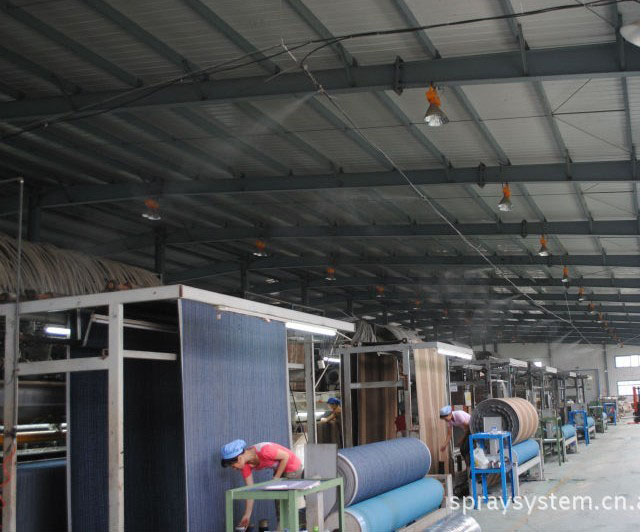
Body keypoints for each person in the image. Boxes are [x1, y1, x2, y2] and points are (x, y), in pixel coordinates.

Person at [221, 439, 302, 528]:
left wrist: (276, 478)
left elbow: (286, 456)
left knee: (286, 504)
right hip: (280, 471)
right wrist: (247, 515)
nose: (234, 469)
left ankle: (286, 527)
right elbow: (250, 490)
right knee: (279, 505)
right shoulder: (245, 466)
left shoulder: (264, 450)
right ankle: (283, 527)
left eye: (233, 466)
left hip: (293, 467)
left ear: (240, 458)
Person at [439, 405, 472, 470]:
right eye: (444, 419)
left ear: (450, 413)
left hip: (472, 428)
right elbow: (449, 434)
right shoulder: (449, 421)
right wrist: (444, 445)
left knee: (466, 448)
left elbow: (468, 428)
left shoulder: (458, 415)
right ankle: (468, 468)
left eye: (446, 418)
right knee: (462, 450)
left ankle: (470, 467)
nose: (445, 420)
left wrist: (462, 440)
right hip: (467, 430)